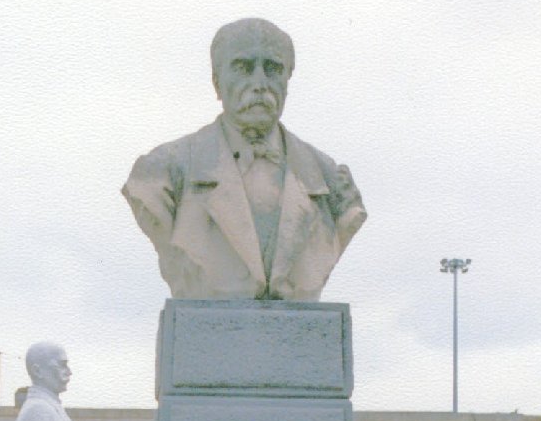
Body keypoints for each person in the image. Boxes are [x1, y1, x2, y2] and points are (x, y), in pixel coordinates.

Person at [122, 18, 366, 301]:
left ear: (288, 80)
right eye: (243, 68)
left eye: (273, 69)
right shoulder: (161, 172)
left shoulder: (331, 181)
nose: (260, 83)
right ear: (217, 82)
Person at [16, 342, 88, 421]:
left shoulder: (52, 407)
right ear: (37, 371)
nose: (69, 372)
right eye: (62, 365)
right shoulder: (36, 411)